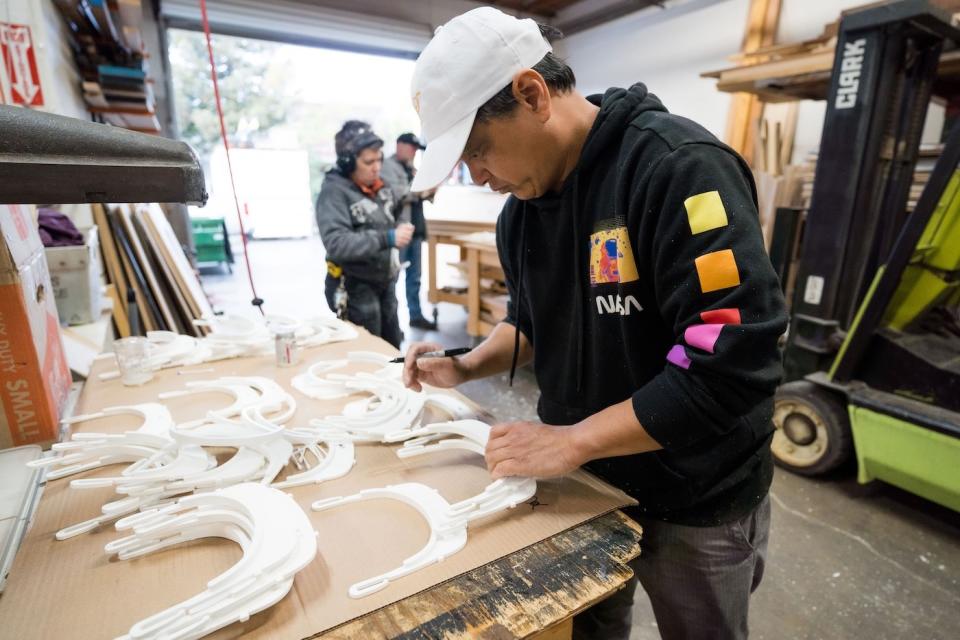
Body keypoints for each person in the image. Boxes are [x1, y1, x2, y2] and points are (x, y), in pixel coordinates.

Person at [402, 8, 787, 640]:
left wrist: (573, 439)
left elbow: (729, 365)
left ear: (531, 94)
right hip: (583, 482)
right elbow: (529, 321)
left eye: (477, 150)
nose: (477, 176)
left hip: (696, 494)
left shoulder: (678, 170)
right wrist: (467, 364)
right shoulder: (521, 213)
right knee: (584, 630)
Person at [316, 120, 415, 348]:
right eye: (369, 162)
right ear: (348, 163)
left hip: (385, 281)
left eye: (379, 159)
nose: (377, 167)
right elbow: (337, 243)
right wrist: (388, 238)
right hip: (355, 286)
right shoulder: (334, 193)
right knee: (369, 353)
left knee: (391, 348)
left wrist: (402, 225)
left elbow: (396, 211)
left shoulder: (380, 185)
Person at [381, 132, 438, 330]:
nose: (414, 152)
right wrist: (423, 188)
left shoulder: (411, 168)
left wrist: (429, 189)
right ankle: (393, 324)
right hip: (398, 232)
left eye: (416, 149)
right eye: (411, 147)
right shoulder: (386, 166)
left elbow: (424, 194)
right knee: (393, 279)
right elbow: (400, 193)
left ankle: (415, 316)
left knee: (415, 278)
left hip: (417, 230)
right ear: (399, 145)